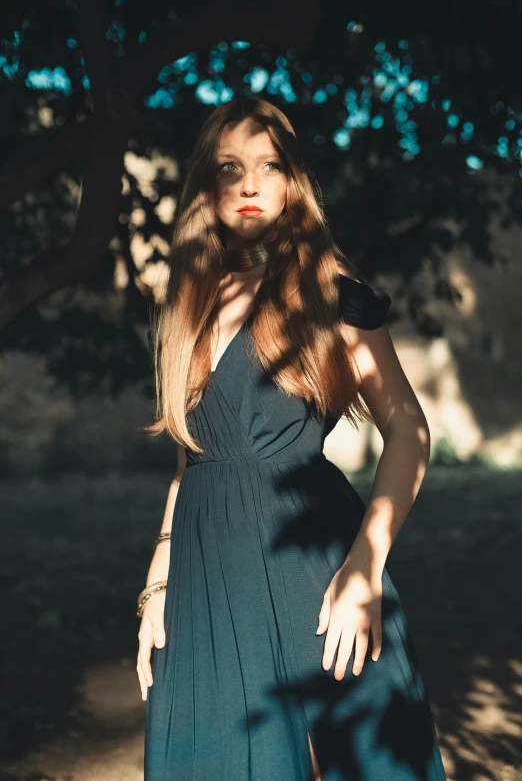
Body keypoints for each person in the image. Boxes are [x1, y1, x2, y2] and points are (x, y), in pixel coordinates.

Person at [138, 95, 447, 781]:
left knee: (369, 759)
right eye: (230, 168)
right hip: (205, 575)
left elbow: (408, 428)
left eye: (269, 166)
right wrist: (158, 582)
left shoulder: (331, 294)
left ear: (293, 181)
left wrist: (365, 565)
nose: (250, 184)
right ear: (205, 186)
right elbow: (193, 456)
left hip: (316, 565)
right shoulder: (189, 302)